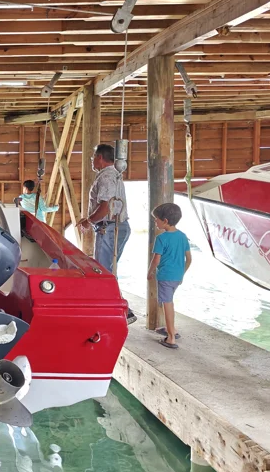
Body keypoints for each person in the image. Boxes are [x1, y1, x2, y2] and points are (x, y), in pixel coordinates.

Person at [76, 144, 136, 324]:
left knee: (103, 271)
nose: (92, 161)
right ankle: (114, 309)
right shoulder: (113, 174)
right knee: (108, 270)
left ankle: (123, 311)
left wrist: (88, 220)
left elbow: (105, 207)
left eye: (93, 157)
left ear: (100, 157)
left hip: (109, 227)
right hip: (116, 226)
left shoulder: (107, 177)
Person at [146, 202, 192, 349]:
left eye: (156, 219)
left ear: (165, 221)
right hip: (177, 277)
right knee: (169, 301)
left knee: (167, 305)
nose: (155, 221)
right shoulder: (183, 236)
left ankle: (171, 337)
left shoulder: (161, 238)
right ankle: (171, 329)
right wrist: (182, 273)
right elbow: (189, 258)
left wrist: (149, 271)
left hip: (165, 276)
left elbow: (156, 259)